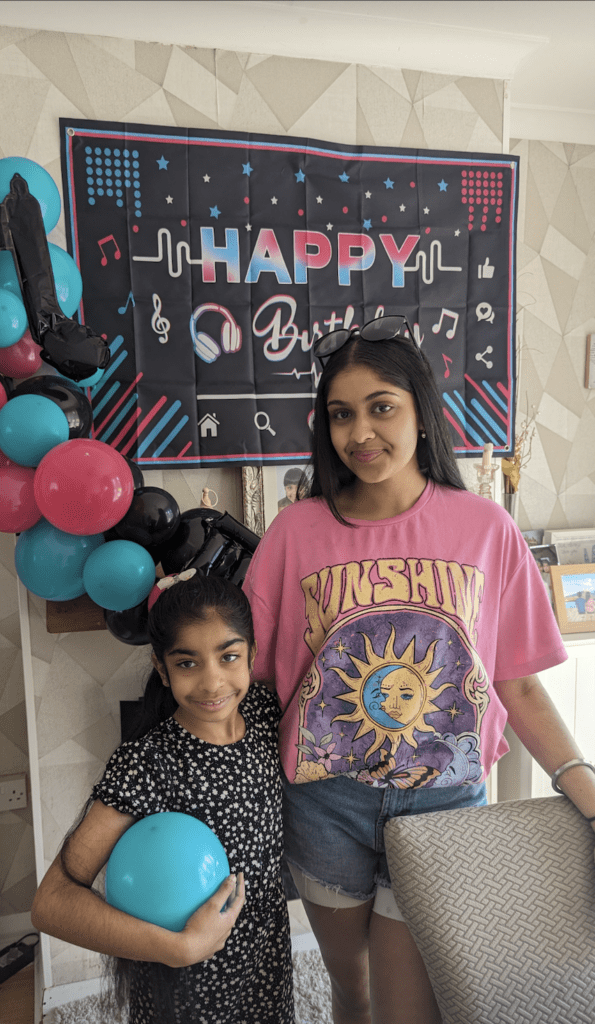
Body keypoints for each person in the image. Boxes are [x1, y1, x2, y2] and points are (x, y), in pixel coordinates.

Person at [242, 314, 595, 1024]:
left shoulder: (483, 528)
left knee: (413, 1011)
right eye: (341, 414)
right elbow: (252, 678)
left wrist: (576, 778)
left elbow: (516, 681)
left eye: (381, 407)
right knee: (352, 992)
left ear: (421, 413)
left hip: (443, 807)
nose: (360, 432)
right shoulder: (294, 531)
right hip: (326, 806)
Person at [31, 572, 294, 1024]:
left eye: (228, 656)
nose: (213, 683)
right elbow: (50, 903)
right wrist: (179, 948)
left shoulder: (267, 714)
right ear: (161, 667)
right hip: (187, 986)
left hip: (265, 963)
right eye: (188, 663)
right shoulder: (148, 764)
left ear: (251, 654)